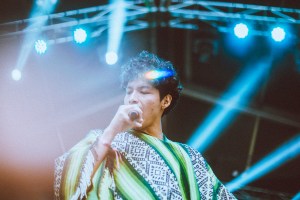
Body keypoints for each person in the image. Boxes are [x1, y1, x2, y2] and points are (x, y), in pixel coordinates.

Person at [54, 51, 236, 200]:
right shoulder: (105, 141)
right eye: (129, 91)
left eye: (143, 91)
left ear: (165, 101)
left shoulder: (188, 158)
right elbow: (67, 185)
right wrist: (112, 131)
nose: (132, 97)